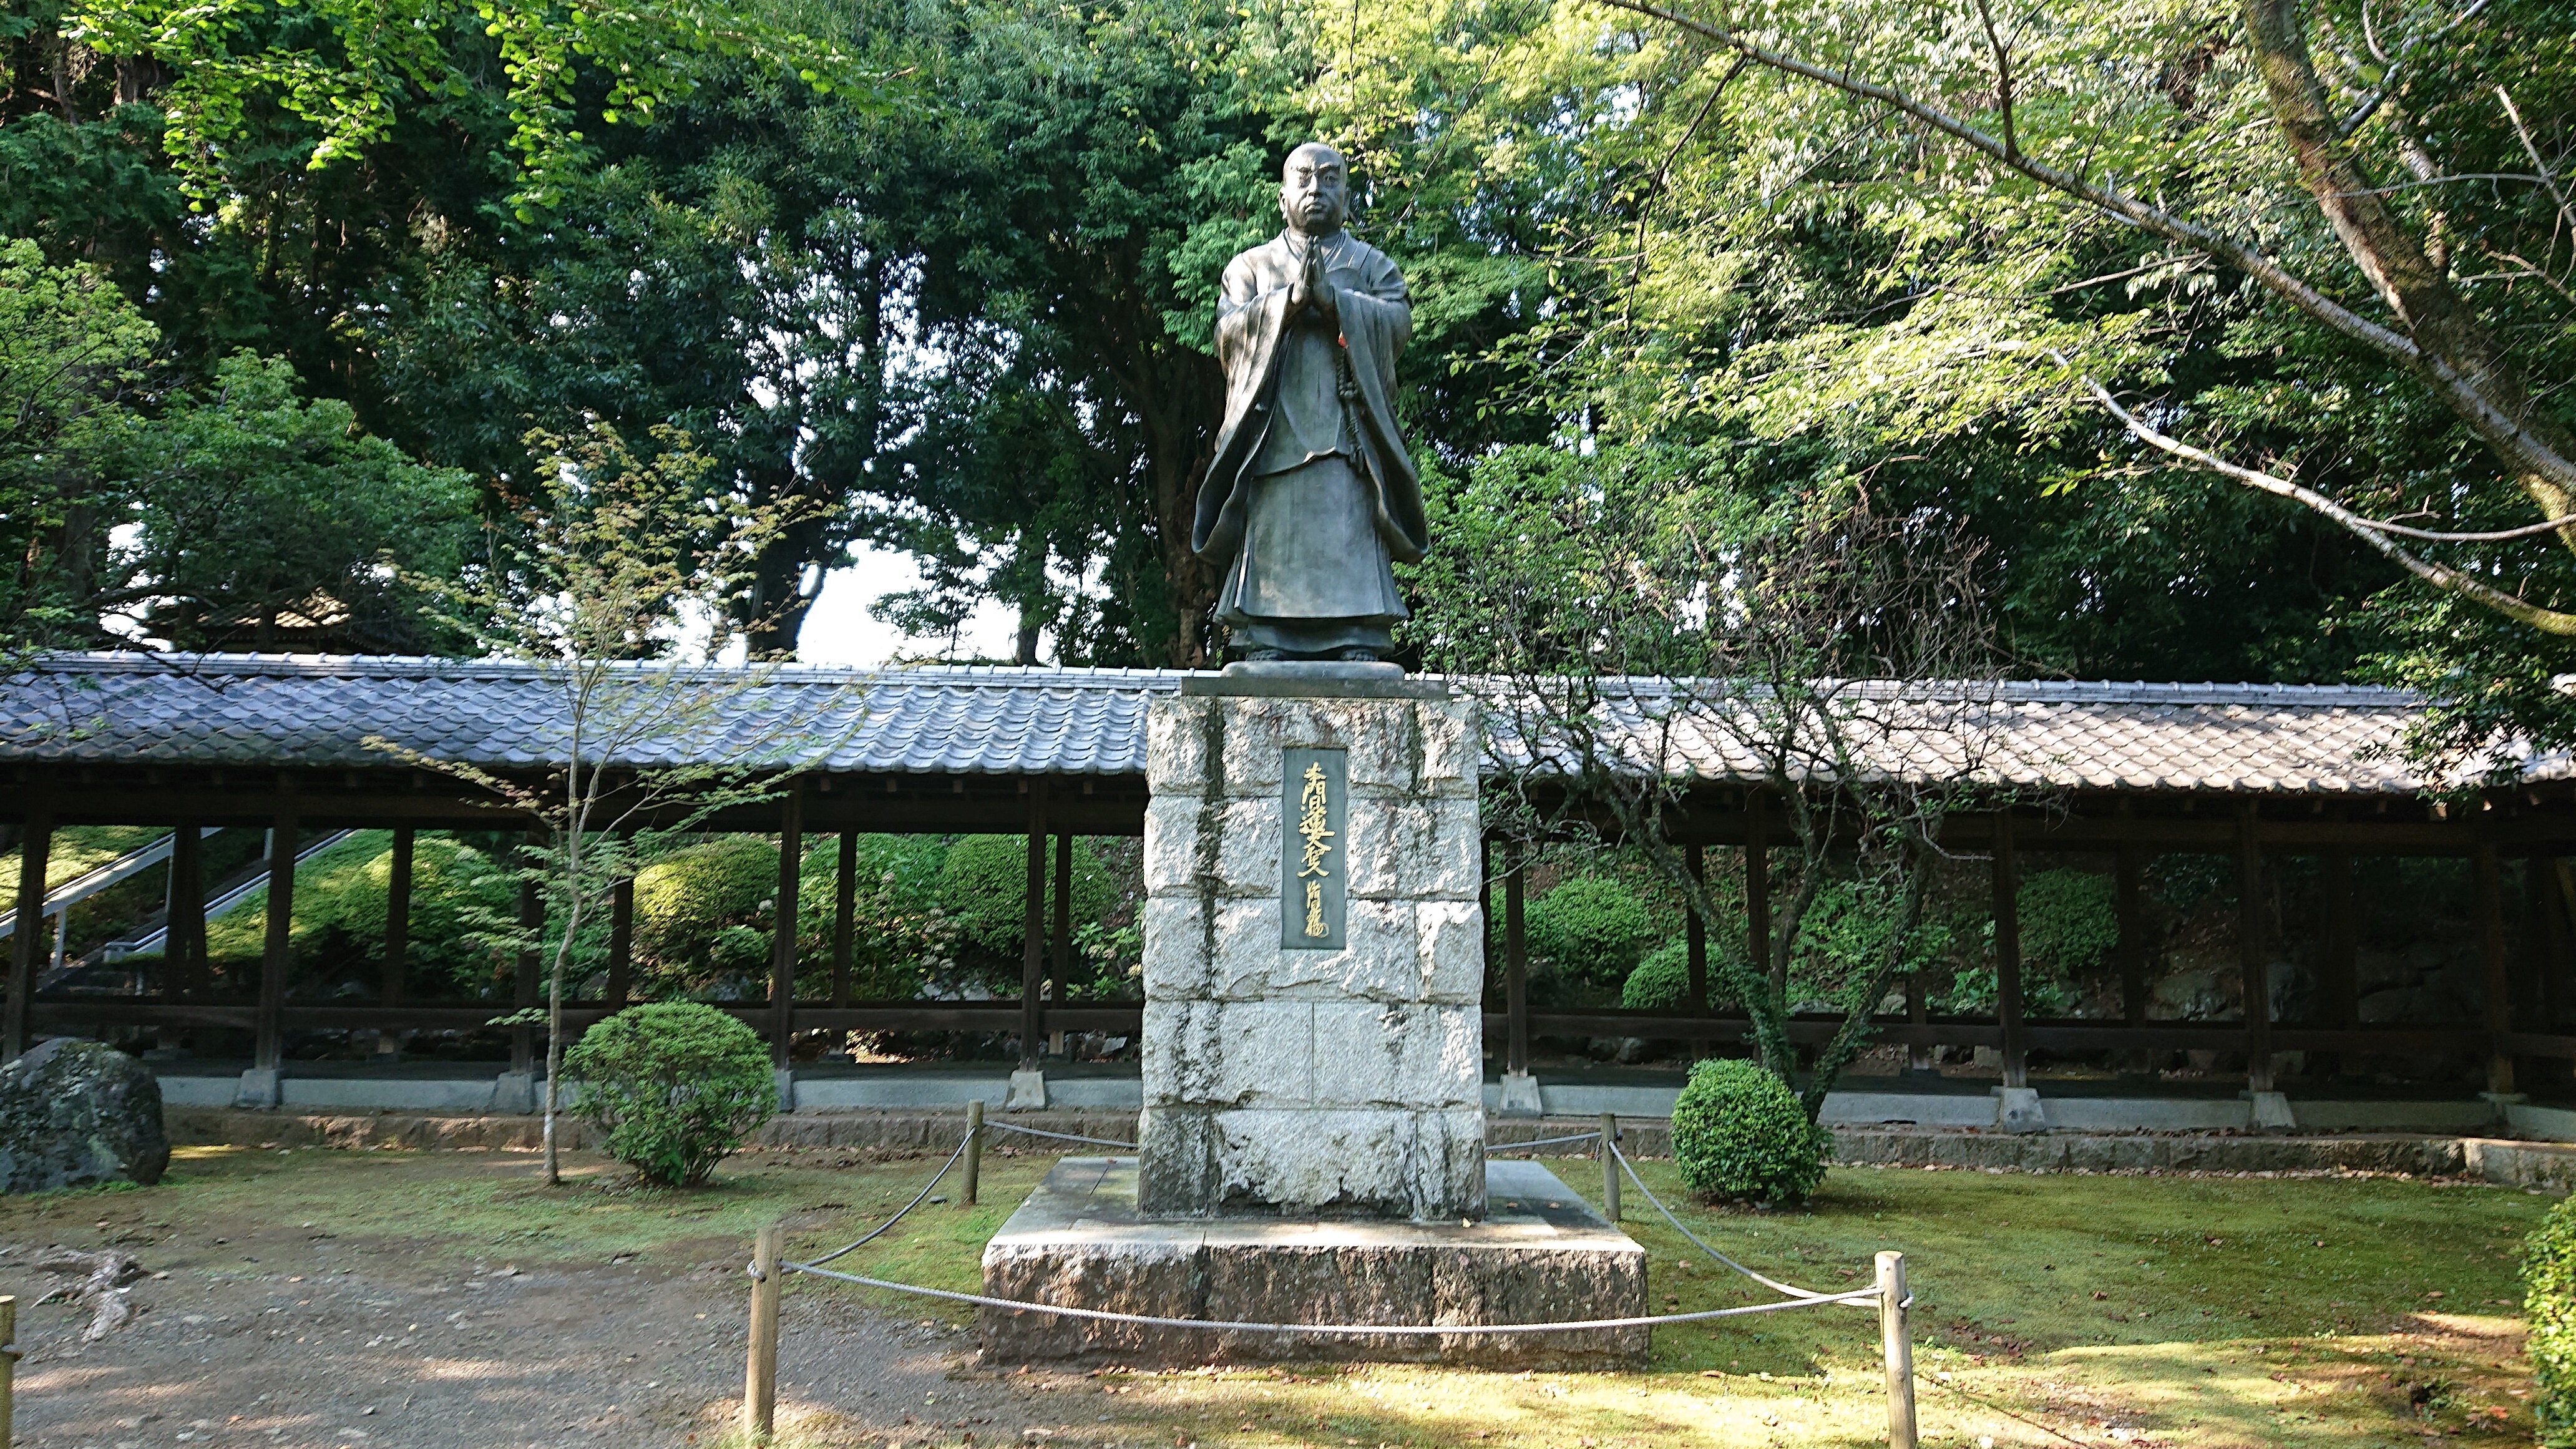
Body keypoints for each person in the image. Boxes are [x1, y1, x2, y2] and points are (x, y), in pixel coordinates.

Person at [1193, 142, 1428, 663]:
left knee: (1347, 520)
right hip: (1276, 432)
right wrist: (1288, 305)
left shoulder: (1372, 265)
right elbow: (1228, 332)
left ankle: (1357, 633)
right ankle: (1268, 634)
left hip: (1346, 431)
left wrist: (1338, 304)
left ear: (1347, 193)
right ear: (1283, 197)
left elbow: (1399, 323)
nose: (1316, 189)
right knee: (1275, 524)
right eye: (1303, 179)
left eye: (1329, 178)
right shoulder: (1252, 267)